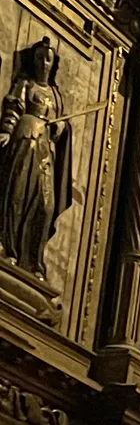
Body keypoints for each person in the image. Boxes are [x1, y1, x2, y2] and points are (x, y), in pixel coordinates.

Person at [0, 38, 71, 278]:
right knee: (17, 194)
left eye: (48, 58)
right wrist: (7, 130)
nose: (43, 63)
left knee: (45, 203)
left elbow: (62, 124)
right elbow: (14, 106)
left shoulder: (56, 94)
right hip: (25, 140)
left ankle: (32, 259)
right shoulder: (25, 83)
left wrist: (62, 127)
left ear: (54, 64)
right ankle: (8, 247)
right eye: (40, 58)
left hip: (45, 152)